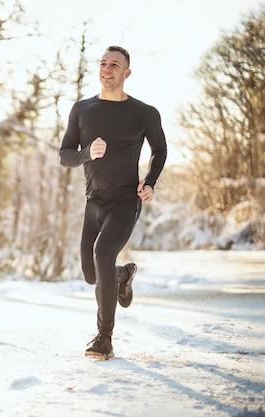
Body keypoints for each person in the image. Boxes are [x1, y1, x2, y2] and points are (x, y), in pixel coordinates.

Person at [59, 45, 167, 360]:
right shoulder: (82, 109)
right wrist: (86, 153)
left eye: (115, 65)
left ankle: (103, 339)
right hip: (93, 202)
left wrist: (149, 183)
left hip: (124, 200)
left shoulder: (144, 112)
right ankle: (122, 276)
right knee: (92, 273)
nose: (107, 69)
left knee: (102, 253)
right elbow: (65, 154)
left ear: (126, 72)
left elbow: (159, 151)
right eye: (104, 63)